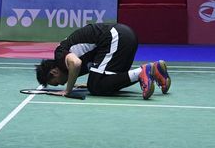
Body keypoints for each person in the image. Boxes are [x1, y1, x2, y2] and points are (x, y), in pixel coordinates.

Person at [35, 23, 171, 100]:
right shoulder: (67, 62)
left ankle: (142, 71)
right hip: (125, 37)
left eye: (58, 82)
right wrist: (88, 83)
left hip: (115, 37)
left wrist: (68, 90)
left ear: (54, 71)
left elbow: (75, 63)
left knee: (96, 86)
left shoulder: (60, 56)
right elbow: (91, 65)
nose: (62, 83)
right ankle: (155, 69)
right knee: (103, 84)